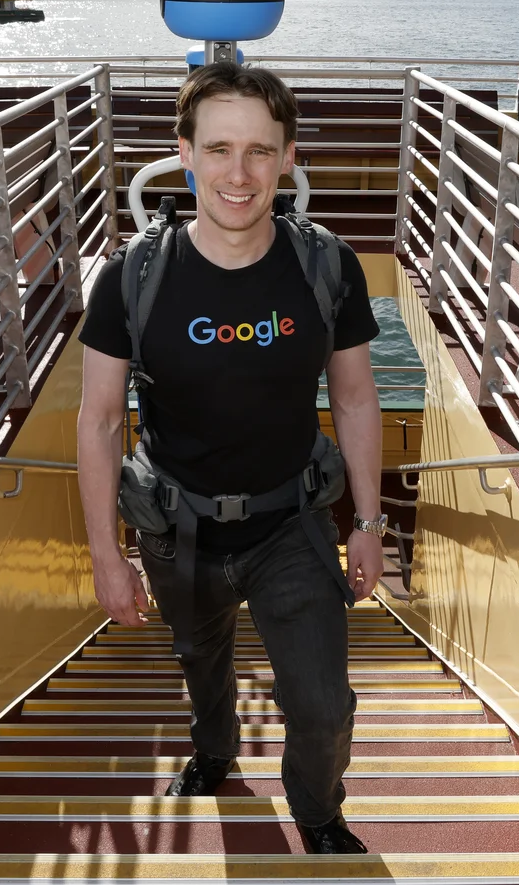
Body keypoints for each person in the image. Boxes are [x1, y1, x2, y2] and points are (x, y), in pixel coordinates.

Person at [76, 61, 386, 855]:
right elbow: (101, 418)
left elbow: (354, 398)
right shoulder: (132, 278)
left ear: (288, 157)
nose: (238, 174)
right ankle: (214, 753)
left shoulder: (327, 267)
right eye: (217, 150)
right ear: (185, 153)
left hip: (291, 521)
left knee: (322, 704)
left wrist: (368, 522)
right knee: (200, 657)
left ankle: (316, 809)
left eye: (258, 150)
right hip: (179, 529)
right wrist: (107, 555)